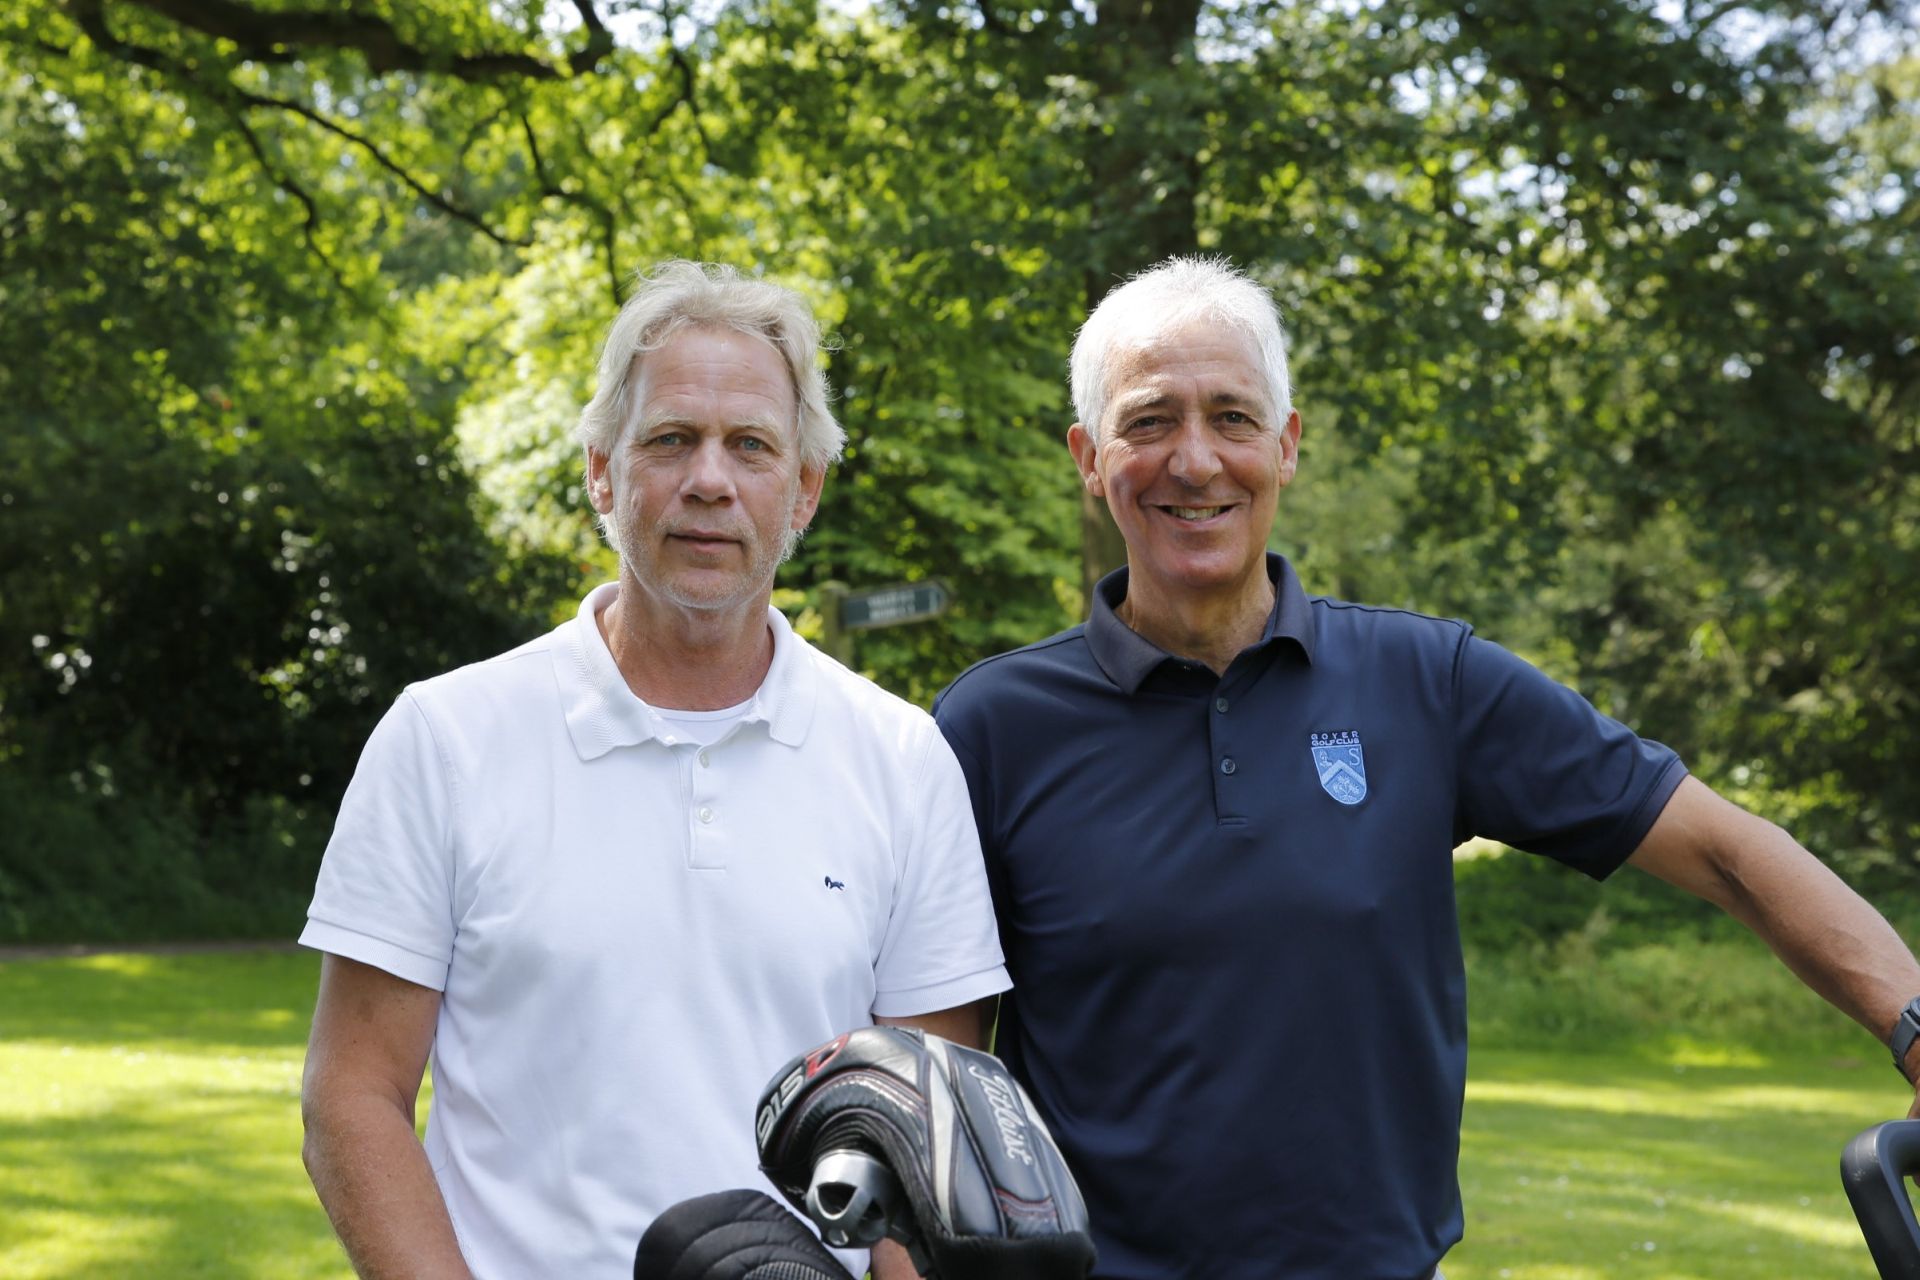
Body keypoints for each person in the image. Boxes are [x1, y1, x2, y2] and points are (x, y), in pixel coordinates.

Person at [931, 256, 1920, 1280]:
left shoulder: (1428, 681)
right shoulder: (992, 727)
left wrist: (1916, 1027)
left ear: (1286, 444)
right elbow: (937, 1071)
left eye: (1232, 417)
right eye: (1148, 421)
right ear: (1089, 458)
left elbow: (1724, 850)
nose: (1195, 459)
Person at [299, 261, 1009, 1280]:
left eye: (751, 445)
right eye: (671, 438)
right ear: (602, 471)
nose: (709, 480)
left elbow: (923, 1155)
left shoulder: (902, 760)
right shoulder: (445, 739)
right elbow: (353, 1095)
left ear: (803, 489)